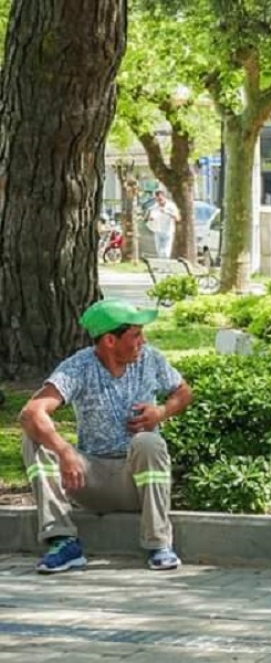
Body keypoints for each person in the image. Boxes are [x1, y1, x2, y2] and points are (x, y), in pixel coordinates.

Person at [19, 298, 193, 574]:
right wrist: (65, 452)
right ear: (110, 340)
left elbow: (183, 392)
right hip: (89, 479)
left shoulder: (151, 359)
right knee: (34, 439)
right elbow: (31, 413)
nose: (143, 341)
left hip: (134, 482)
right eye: (135, 335)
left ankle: (159, 544)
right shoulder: (79, 366)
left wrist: (161, 411)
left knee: (148, 441)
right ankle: (63, 542)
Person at [146, 189, 179, 258]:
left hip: (168, 231)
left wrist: (167, 212)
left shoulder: (171, 206)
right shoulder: (155, 206)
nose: (159, 202)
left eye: (160, 199)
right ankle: (162, 267)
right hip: (158, 231)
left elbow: (177, 218)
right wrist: (151, 218)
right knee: (159, 252)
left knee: (166, 252)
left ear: (164, 197)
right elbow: (151, 217)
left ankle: (166, 266)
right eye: (157, 200)